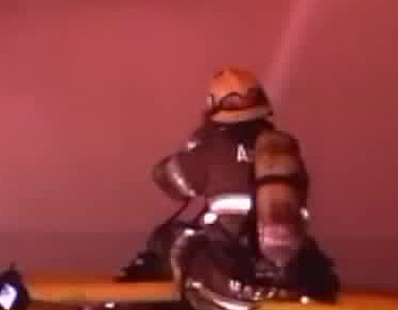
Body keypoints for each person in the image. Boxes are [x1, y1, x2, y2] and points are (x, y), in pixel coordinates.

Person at [117, 67, 298, 282]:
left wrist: (190, 149)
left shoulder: (213, 145)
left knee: (164, 240)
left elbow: (171, 179)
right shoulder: (283, 146)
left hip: (226, 253)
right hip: (280, 258)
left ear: (214, 104)